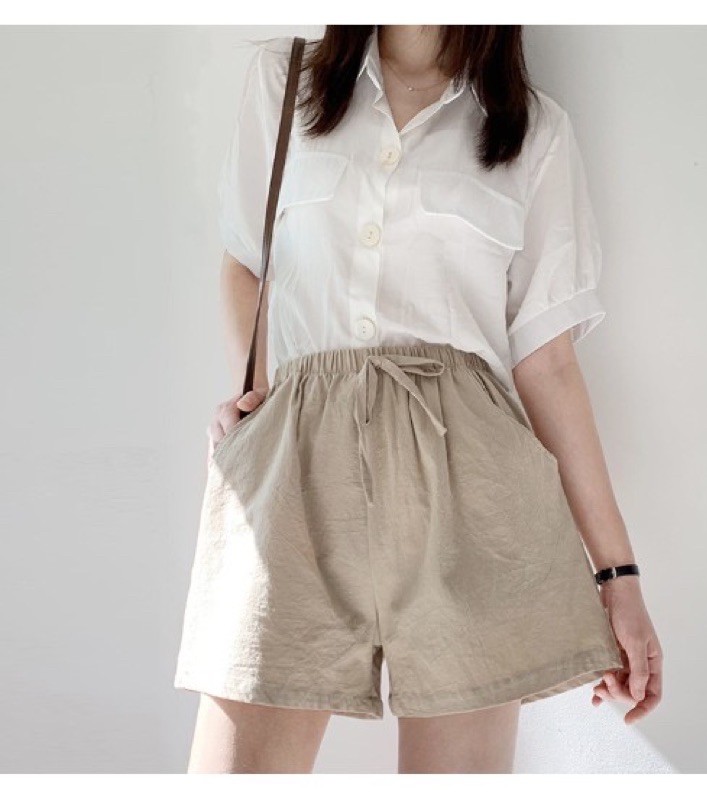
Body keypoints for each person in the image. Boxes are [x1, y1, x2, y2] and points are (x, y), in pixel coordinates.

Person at [173, 24, 663, 773]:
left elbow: (549, 363)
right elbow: (246, 262)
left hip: (471, 483)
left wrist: (618, 576)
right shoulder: (286, 82)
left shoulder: (533, 129)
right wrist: (262, 395)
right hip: (298, 469)